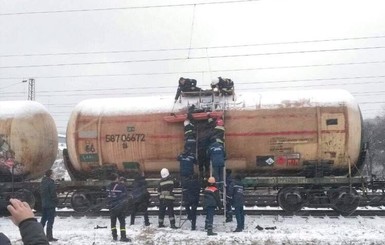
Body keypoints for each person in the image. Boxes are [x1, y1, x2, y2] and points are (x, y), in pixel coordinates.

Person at [107, 174, 131, 242]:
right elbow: (126, 195)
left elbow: (108, 197)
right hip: (120, 208)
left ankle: (114, 236)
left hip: (111, 207)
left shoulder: (108, 187)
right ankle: (123, 237)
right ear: (116, 179)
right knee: (122, 222)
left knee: (113, 223)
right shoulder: (121, 186)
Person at [40, 169, 59, 242]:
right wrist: (56, 201)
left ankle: (40, 235)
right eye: (53, 173)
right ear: (50, 175)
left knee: (43, 220)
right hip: (50, 204)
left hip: (44, 204)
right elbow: (53, 194)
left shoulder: (43, 182)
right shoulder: (51, 183)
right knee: (50, 221)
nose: (53, 175)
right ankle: (49, 237)